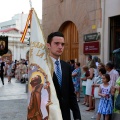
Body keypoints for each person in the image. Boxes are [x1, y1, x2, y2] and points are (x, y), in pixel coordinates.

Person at [47, 31, 81, 120]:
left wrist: (77, 116)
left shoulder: (66, 66)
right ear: (48, 45)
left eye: (62, 44)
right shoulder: (42, 66)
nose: (60, 47)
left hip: (65, 114)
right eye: (56, 43)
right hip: (49, 115)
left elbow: (71, 93)